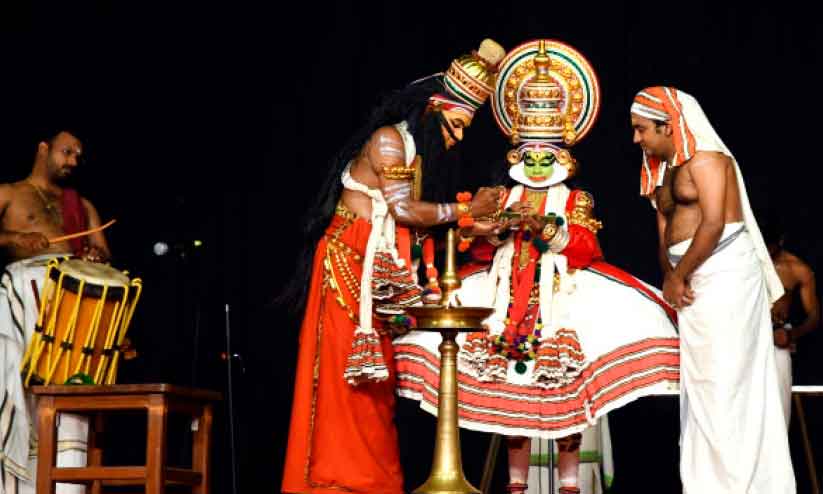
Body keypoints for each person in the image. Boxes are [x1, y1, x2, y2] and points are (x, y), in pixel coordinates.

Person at [395, 40, 680, 494]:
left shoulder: (574, 198)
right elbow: (477, 248)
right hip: (502, 297)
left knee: (566, 403)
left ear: (562, 156)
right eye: (530, 156)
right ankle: (515, 487)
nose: (539, 164)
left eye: (547, 156)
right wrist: (492, 229)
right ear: (517, 155)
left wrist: (545, 228)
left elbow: (585, 247)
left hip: (560, 299)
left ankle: (569, 488)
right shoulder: (501, 194)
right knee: (512, 404)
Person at [280, 39, 506, 494]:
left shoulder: (416, 154)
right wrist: (466, 211)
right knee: (347, 382)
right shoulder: (389, 141)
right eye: (457, 125)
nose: (458, 138)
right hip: (348, 263)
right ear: (435, 109)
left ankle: (373, 483)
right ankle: (334, 483)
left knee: (376, 386)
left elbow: (416, 222)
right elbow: (404, 211)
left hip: (376, 273)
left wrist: (476, 226)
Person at [630, 86, 795, 493]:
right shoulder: (659, 171)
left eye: (641, 129)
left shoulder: (708, 160)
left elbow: (714, 223)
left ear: (668, 125)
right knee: (700, 384)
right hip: (688, 280)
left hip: (726, 273)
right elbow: (664, 233)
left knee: (727, 379)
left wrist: (678, 276)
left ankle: (745, 484)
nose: (636, 138)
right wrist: (671, 275)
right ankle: (706, 484)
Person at [0, 128, 111, 493]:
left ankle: (66, 487)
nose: (74, 161)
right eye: (67, 152)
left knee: (67, 399)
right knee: (18, 394)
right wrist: (16, 239)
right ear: (43, 148)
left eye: (78, 155)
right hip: (21, 301)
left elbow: (103, 252)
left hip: (70, 307)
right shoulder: (8, 193)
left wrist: (96, 255)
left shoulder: (82, 206)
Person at [761, 217, 819, 425]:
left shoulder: (797, 269)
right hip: (745, 335)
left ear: (781, 241)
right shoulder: (745, 262)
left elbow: (814, 316)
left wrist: (791, 334)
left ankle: (778, 446)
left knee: (778, 406)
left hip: (778, 338)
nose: (766, 252)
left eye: (770, 247)